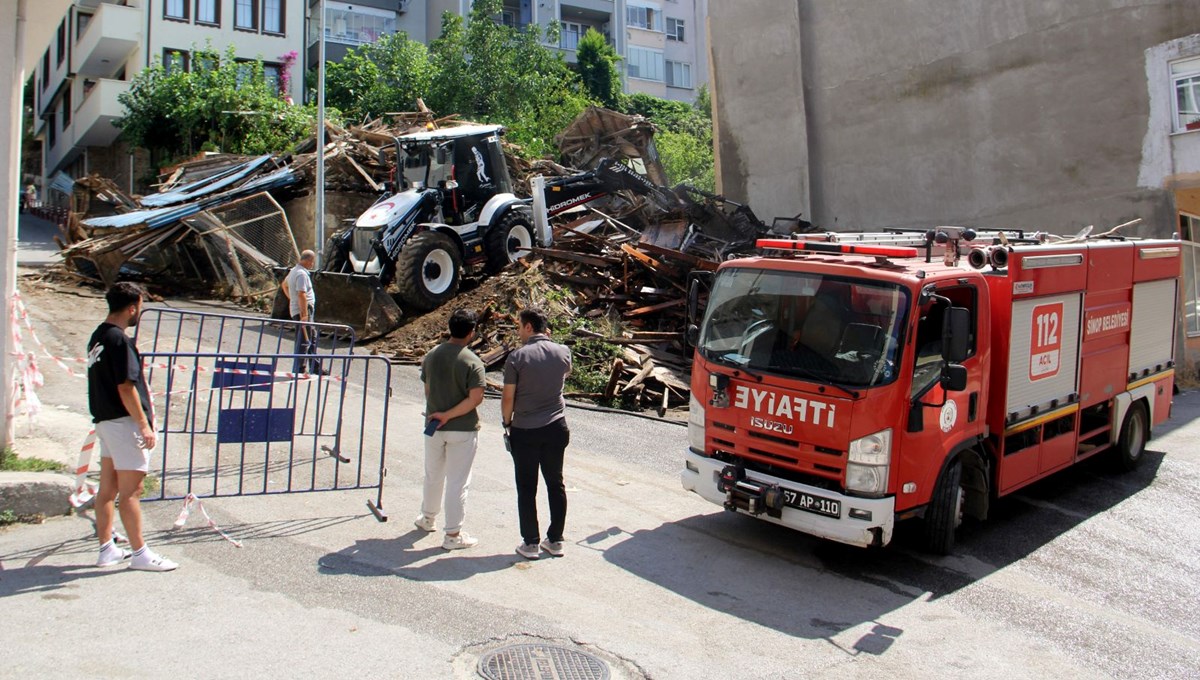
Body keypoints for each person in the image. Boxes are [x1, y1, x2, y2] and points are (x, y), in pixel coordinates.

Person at [88, 282, 177, 572]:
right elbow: (126, 387)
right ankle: (140, 553)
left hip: (105, 421)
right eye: (140, 305)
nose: (140, 311)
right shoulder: (119, 340)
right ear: (131, 307)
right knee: (131, 491)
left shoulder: (98, 336)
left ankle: (107, 549)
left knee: (107, 489)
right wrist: (144, 425)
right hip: (124, 423)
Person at [501, 307, 573, 560]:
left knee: (526, 486)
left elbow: (508, 395)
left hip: (525, 429)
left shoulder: (517, 357)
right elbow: (564, 375)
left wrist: (506, 423)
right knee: (556, 483)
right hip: (556, 426)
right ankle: (556, 540)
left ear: (529, 327)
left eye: (520, 326)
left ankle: (530, 543)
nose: (519, 331)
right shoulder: (563, 352)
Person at [416, 308, 486, 550]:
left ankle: (427, 517)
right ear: (472, 332)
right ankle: (453, 534)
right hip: (462, 428)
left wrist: (440, 412)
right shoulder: (472, 361)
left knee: (433, 474)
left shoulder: (432, 355)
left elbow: (427, 389)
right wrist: (450, 415)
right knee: (458, 481)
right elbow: (475, 398)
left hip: (434, 425)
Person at [285, 250, 324, 375]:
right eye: (312, 262)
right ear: (307, 261)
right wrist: (304, 314)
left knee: (311, 337)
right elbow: (301, 294)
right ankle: (300, 369)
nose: (312, 265)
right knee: (304, 340)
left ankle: (315, 367)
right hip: (303, 310)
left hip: (300, 309)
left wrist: (292, 299)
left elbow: (284, 285)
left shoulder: (293, 271)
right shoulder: (301, 274)